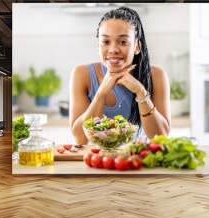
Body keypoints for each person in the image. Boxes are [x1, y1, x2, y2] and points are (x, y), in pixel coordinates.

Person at [69, 6, 171, 145]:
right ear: (98, 45)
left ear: (137, 47)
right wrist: (101, 93)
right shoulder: (82, 74)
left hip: (137, 162)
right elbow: (80, 139)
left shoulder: (156, 76)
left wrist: (141, 92)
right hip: (95, 161)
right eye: (105, 42)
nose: (113, 50)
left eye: (123, 42)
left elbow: (160, 137)